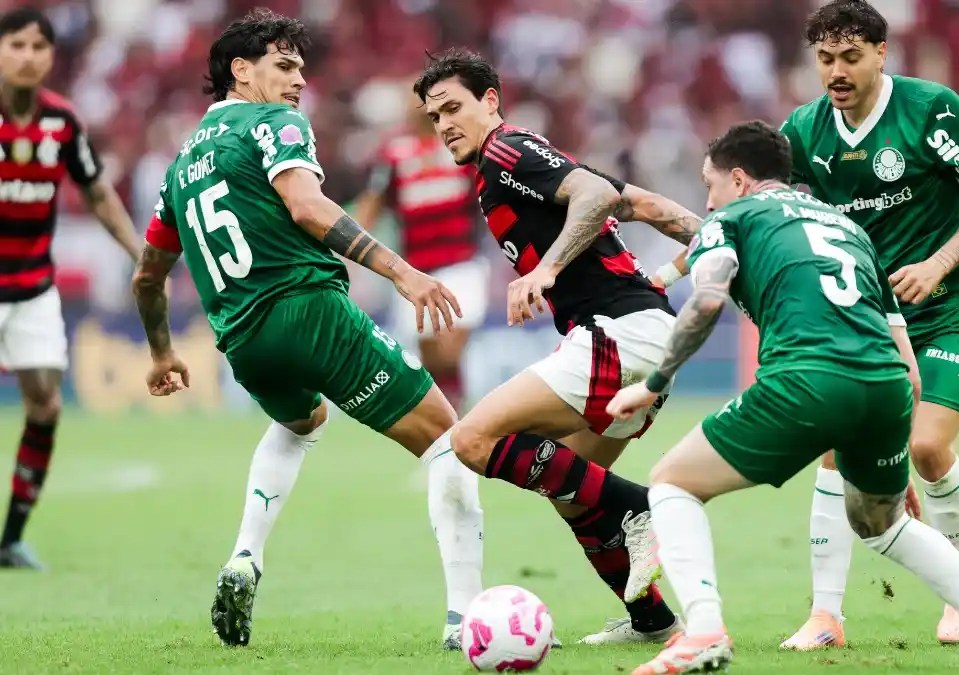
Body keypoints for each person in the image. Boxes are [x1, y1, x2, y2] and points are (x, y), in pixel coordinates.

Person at [608, 120, 959, 673]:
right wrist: (889, 445)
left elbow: (707, 301)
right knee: (881, 523)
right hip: (885, 386)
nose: (708, 198)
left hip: (806, 378)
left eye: (710, 184)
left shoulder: (732, 219)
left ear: (739, 180)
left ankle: (702, 631)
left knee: (672, 481)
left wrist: (654, 381)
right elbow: (903, 351)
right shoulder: (846, 227)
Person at [131, 10, 484, 650]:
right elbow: (307, 204)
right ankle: (468, 621)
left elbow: (147, 278)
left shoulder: (179, 167)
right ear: (241, 71)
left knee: (301, 424)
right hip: (306, 309)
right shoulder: (274, 123)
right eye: (284, 66)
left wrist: (161, 354)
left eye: (301, 68)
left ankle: (245, 554)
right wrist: (403, 274)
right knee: (452, 443)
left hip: (241, 340)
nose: (299, 81)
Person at [413, 48, 704, 645]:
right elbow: (641, 204)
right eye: (432, 115)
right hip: (644, 341)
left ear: (490, 101)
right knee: (572, 491)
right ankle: (655, 622)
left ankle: (640, 506)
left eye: (452, 107)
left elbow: (596, 195)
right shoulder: (526, 162)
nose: (442, 124)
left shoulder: (504, 151)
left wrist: (544, 271)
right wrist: (721, 242)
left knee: (472, 439)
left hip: (618, 333)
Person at [771, 0, 959, 648]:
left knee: (930, 447)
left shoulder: (931, 109)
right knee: (833, 444)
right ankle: (826, 616)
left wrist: (936, 264)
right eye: (824, 58)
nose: (836, 71)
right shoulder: (803, 133)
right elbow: (788, 224)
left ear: (882, 54)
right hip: (869, 319)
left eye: (850, 57)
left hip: (954, 303)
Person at [0, 7, 142, 570]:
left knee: (46, 404)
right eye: (17, 45)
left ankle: (10, 537)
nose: (29, 56)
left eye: (39, 47)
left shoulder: (62, 122)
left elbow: (99, 192)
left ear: (51, 57)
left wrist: (139, 253)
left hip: (34, 289)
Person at [351, 92, 486, 410]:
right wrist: (351, 252)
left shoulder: (462, 148)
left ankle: (457, 419)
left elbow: (487, 193)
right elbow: (373, 203)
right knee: (432, 357)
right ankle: (453, 423)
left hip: (461, 263)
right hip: (416, 271)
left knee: (450, 347)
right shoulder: (394, 154)